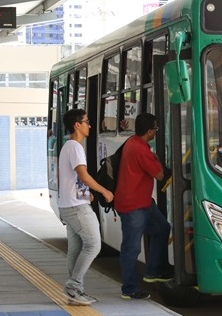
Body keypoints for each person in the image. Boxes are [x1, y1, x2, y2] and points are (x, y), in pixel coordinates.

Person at [58, 108, 114, 305]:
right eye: (87, 121)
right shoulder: (75, 147)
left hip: (68, 205)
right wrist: (103, 191)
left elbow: (70, 178)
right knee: (93, 245)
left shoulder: (68, 146)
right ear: (77, 125)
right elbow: (83, 175)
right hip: (76, 208)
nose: (90, 125)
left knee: (75, 248)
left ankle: (74, 293)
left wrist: (85, 193)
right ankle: (73, 286)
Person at [114, 112, 172, 300]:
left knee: (162, 228)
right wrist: (158, 161)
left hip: (144, 202)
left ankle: (153, 272)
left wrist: (152, 155)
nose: (156, 132)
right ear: (149, 131)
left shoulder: (134, 142)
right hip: (134, 206)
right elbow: (160, 175)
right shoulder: (141, 150)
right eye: (155, 129)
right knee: (131, 247)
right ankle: (129, 289)